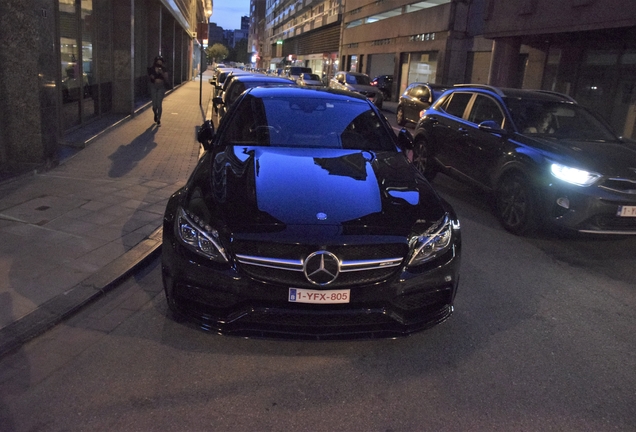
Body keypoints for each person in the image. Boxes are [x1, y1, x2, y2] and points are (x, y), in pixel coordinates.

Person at [148, 55, 170, 125]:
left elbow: (166, 79)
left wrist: (162, 73)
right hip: (153, 86)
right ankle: (155, 114)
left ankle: (158, 119)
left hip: (161, 87)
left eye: (160, 62)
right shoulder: (151, 69)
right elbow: (150, 78)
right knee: (154, 105)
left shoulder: (164, 69)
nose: (159, 63)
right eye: (158, 62)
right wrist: (152, 77)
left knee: (159, 104)